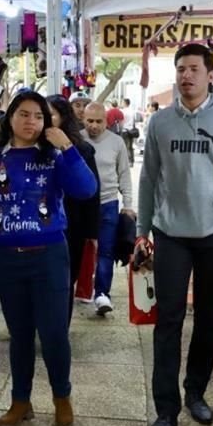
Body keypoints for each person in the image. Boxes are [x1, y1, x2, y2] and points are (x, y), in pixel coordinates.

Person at [137, 43, 213, 426]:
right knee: (167, 321)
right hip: (170, 234)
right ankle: (166, 408)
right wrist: (142, 231)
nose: (186, 76)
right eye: (181, 69)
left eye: (193, 69)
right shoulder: (160, 123)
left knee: (207, 319)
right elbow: (148, 179)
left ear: (210, 75)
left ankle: (196, 393)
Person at [0, 91, 97, 426]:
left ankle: (61, 397)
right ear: (10, 118)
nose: (31, 122)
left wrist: (66, 146)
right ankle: (20, 400)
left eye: (39, 116)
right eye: (24, 114)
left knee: (54, 334)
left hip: (50, 257)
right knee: (20, 335)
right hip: (7, 260)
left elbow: (86, 189)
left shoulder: (55, 157)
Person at [46, 95, 100, 323]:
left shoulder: (81, 150)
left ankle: (59, 330)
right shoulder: (31, 148)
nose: (43, 121)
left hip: (72, 228)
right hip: (40, 228)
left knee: (65, 282)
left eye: (49, 115)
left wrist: (92, 234)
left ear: (63, 117)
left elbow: (92, 194)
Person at [82, 102, 134, 316]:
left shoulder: (116, 142)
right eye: (90, 121)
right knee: (77, 251)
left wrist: (128, 205)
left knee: (106, 250)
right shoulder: (76, 140)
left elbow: (124, 174)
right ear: (84, 120)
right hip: (82, 205)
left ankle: (102, 293)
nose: (94, 126)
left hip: (108, 203)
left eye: (99, 121)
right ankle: (75, 290)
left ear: (107, 121)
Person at [120, 98, 138, 165]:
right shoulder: (132, 111)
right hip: (131, 131)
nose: (122, 103)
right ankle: (132, 161)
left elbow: (121, 121)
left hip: (125, 130)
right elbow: (134, 121)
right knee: (130, 146)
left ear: (125, 103)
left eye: (122, 102)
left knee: (125, 147)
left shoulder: (123, 111)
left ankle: (127, 162)